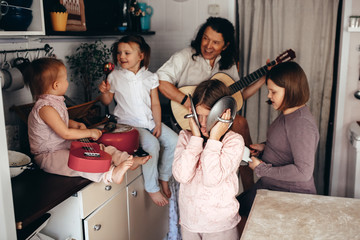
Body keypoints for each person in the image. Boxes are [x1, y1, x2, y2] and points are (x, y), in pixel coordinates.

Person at [157, 16, 264, 191]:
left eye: (215, 42)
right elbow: (161, 81)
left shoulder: (227, 64)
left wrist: (262, 80)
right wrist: (186, 101)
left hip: (216, 121)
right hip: (190, 119)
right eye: (205, 38)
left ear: (226, 45)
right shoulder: (185, 56)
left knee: (241, 125)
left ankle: (248, 190)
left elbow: (239, 95)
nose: (208, 45)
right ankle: (248, 186)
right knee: (239, 126)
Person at [25, 57, 150, 185]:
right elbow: (65, 133)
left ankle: (127, 160)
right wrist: (90, 132)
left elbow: (59, 122)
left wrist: (74, 124)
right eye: (66, 79)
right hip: (49, 156)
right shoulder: (45, 108)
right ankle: (112, 174)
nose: (67, 82)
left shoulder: (55, 102)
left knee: (101, 149)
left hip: (64, 146)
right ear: (56, 85)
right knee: (83, 163)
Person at [98, 35, 178, 206]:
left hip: (149, 122)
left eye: (127, 52)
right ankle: (152, 187)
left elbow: (155, 103)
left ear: (141, 56)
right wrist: (104, 91)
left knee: (175, 141)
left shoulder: (150, 77)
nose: (122, 56)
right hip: (129, 125)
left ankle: (164, 176)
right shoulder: (114, 77)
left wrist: (157, 123)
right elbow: (106, 101)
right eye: (119, 53)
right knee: (152, 146)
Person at [237, 61, 319, 218]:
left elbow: (303, 172)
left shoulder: (302, 124)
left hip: (290, 194)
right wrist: (264, 147)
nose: (268, 96)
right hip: (271, 186)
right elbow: (287, 144)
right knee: (231, 212)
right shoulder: (288, 113)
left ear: (290, 91)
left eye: (273, 92)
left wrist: (261, 169)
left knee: (236, 217)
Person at [172, 79, 244, 240]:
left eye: (209, 116)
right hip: (190, 223)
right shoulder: (186, 137)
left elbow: (212, 178)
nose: (203, 123)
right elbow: (182, 176)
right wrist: (196, 139)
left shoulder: (233, 141)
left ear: (225, 114)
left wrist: (214, 139)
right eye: (198, 116)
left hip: (220, 226)